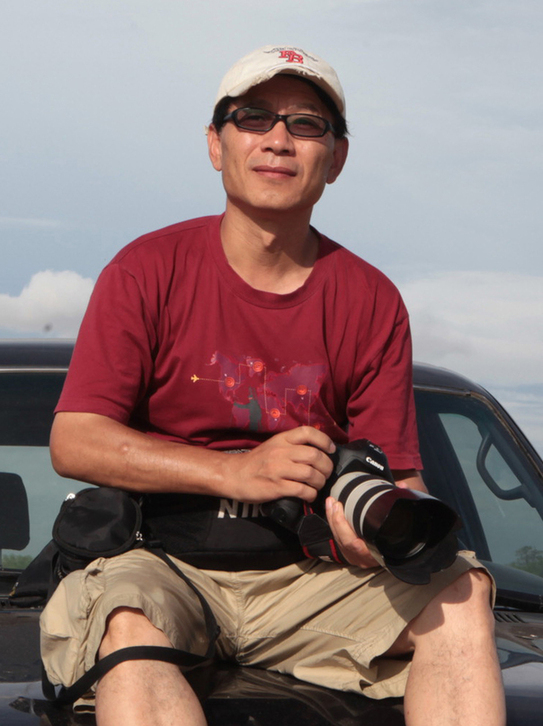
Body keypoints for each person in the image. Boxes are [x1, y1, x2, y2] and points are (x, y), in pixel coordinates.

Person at [41, 45, 505, 726]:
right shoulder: (145, 270)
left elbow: (399, 475)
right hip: (162, 563)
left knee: (462, 593)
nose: (278, 140)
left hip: (312, 579)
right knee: (129, 624)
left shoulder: (370, 299)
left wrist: (378, 527)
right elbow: (75, 439)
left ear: (336, 158)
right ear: (215, 144)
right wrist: (234, 472)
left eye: (306, 124)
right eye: (253, 117)